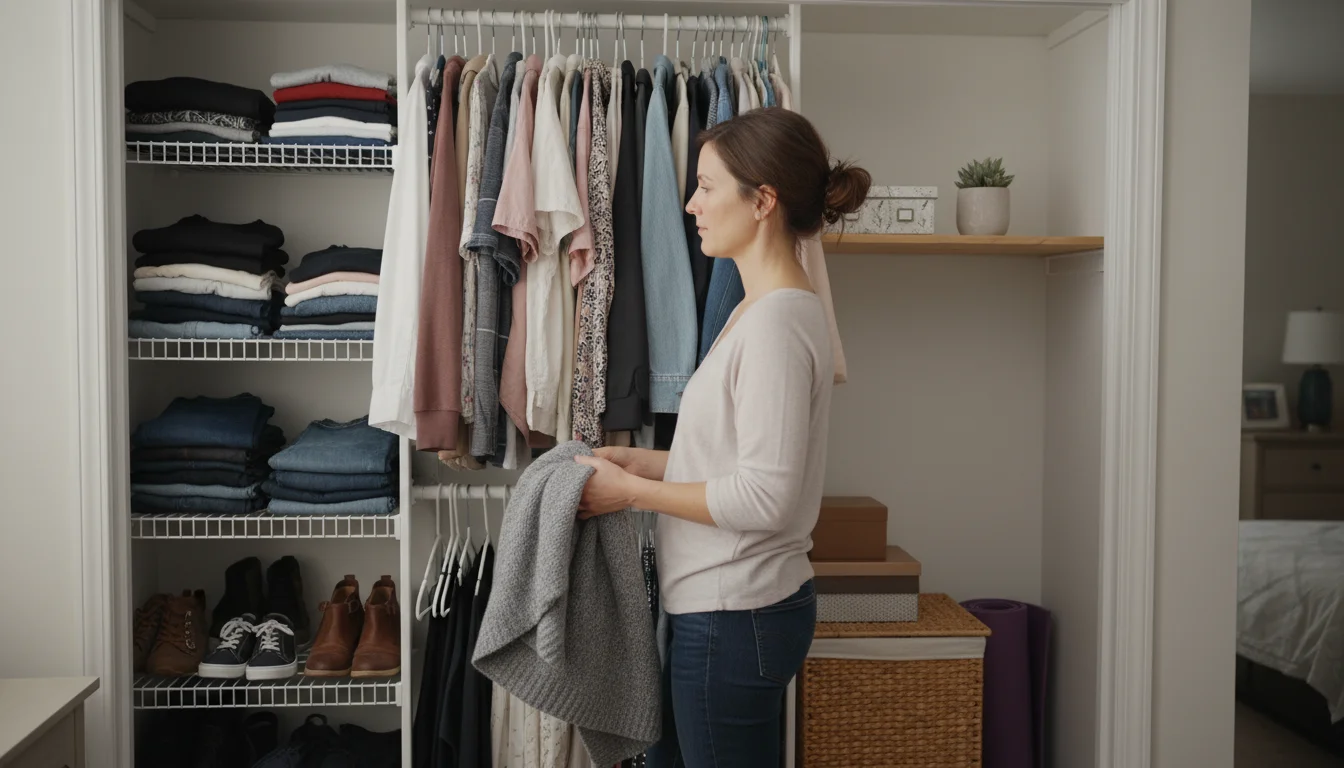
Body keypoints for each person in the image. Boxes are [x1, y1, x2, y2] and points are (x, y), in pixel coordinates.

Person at [574, 107, 871, 767]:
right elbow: (734, 460)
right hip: (722, 608)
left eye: (708, 186)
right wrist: (644, 464)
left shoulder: (776, 326)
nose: (690, 204)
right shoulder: (756, 310)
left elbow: (765, 497)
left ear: (763, 200)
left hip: (736, 614)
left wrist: (630, 494)